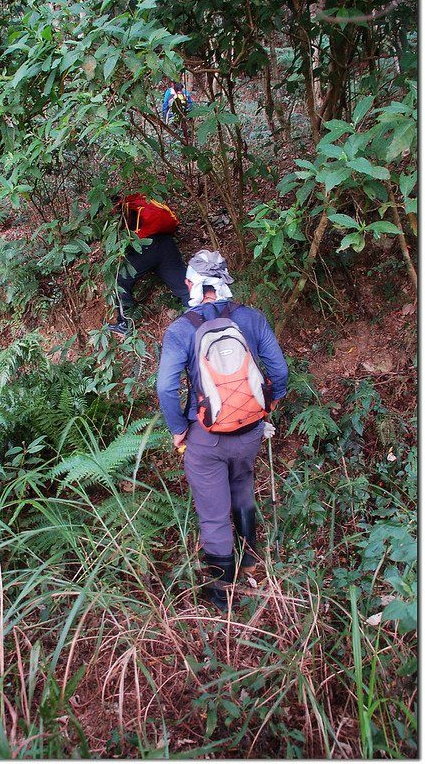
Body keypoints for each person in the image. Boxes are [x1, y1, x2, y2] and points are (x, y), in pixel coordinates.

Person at [156, 250, 288, 611]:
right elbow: (279, 370)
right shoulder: (251, 318)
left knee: (213, 512)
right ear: (226, 281)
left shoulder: (182, 328)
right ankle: (248, 558)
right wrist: (268, 406)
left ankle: (220, 594)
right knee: (242, 487)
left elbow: (166, 387)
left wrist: (178, 429)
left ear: (189, 284)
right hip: (248, 432)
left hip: (205, 436)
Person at [107, 193, 191, 335]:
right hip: (166, 244)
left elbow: (128, 237)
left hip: (146, 247)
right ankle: (199, 316)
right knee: (183, 286)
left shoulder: (123, 210)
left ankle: (125, 323)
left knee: (120, 280)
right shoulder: (140, 201)